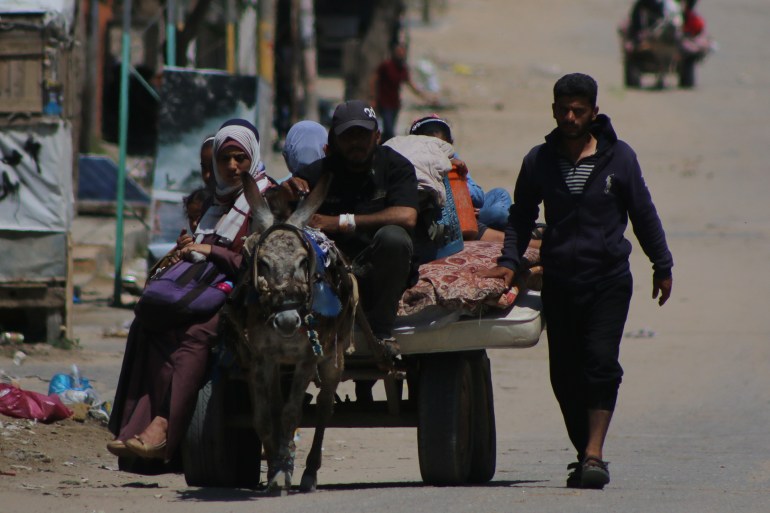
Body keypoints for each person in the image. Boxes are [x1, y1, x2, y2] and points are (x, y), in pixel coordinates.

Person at [480, 73, 673, 489]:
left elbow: (642, 212)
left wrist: (662, 264)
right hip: (561, 282)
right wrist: (509, 262)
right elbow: (521, 217)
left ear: (593, 112)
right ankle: (585, 452)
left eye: (578, 111)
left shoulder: (620, 157)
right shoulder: (538, 160)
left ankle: (594, 454)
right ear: (553, 110)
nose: (570, 117)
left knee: (600, 363)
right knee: (565, 375)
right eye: (563, 110)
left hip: (608, 280)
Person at [107, 119, 266, 463]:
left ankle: (165, 426)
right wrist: (190, 247)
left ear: (253, 157)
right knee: (148, 323)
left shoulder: (264, 197)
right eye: (225, 159)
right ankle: (134, 424)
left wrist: (212, 251)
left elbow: (262, 261)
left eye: (240, 158)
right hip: (208, 289)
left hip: (246, 295)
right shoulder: (215, 201)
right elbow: (205, 247)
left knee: (195, 333)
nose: (232, 166)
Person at [282, 100, 419, 403]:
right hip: (331, 278)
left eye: (362, 134)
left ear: (377, 136)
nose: (355, 142)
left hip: (381, 273)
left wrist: (341, 222)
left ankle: (381, 332)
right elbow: (282, 216)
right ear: (333, 140)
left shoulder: (395, 167)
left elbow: (408, 216)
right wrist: (284, 194)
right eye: (347, 135)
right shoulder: (319, 173)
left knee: (394, 238)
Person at [408, 114, 512, 242]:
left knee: (500, 194)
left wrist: (459, 180)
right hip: (449, 219)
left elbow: (479, 197)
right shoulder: (415, 163)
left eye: (442, 147)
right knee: (499, 215)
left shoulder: (455, 161)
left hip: (471, 212)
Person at [370, 42, 436, 143]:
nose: (401, 54)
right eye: (399, 52)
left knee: (389, 130)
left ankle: (382, 147)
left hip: (395, 104)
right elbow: (374, 79)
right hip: (384, 102)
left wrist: (425, 97)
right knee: (389, 131)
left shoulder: (402, 68)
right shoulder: (386, 65)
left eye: (402, 52)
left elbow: (410, 84)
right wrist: (373, 98)